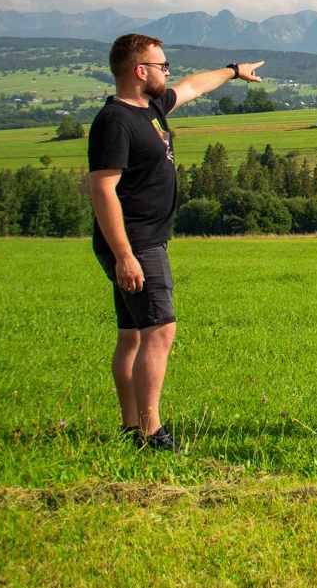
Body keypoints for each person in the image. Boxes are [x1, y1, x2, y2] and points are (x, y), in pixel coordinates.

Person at [87, 33, 264, 452]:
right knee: (160, 331)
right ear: (139, 70)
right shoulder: (115, 122)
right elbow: (102, 190)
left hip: (144, 241)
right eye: (161, 65)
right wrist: (125, 254)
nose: (168, 73)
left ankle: (133, 427)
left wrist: (234, 71)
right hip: (137, 243)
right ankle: (151, 433)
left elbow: (195, 86)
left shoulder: (150, 108)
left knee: (132, 334)